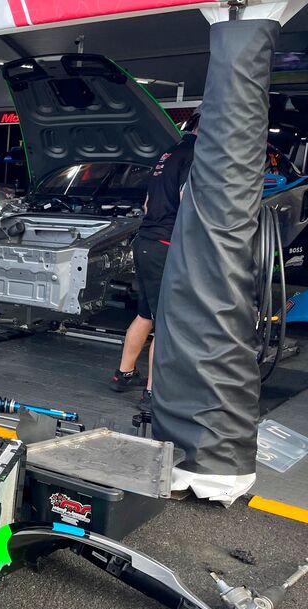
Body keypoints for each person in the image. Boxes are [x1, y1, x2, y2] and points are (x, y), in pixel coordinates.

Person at [111, 122, 199, 404]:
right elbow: (188, 198)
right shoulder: (197, 152)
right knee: (166, 319)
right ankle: (153, 390)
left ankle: (124, 374)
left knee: (147, 312)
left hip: (147, 240)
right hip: (166, 244)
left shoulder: (169, 153)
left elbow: (149, 204)